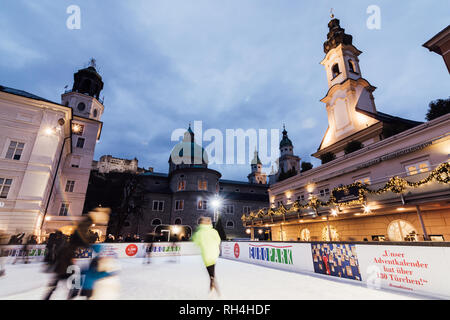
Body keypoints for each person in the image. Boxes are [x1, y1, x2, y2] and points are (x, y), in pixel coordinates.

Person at [43, 208, 111, 300]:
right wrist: (91, 218)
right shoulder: (75, 239)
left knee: (59, 281)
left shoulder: (72, 242)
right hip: (65, 263)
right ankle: (67, 294)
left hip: (64, 262)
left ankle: (53, 294)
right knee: (71, 281)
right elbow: (81, 234)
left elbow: (82, 235)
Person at [191, 217, 221, 294]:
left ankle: (212, 281)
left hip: (206, 254)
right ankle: (212, 280)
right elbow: (218, 240)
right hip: (215, 253)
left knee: (210, 269)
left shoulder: (199, 233)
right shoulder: (214, 231)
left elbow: (196, 242)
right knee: (212, 267)